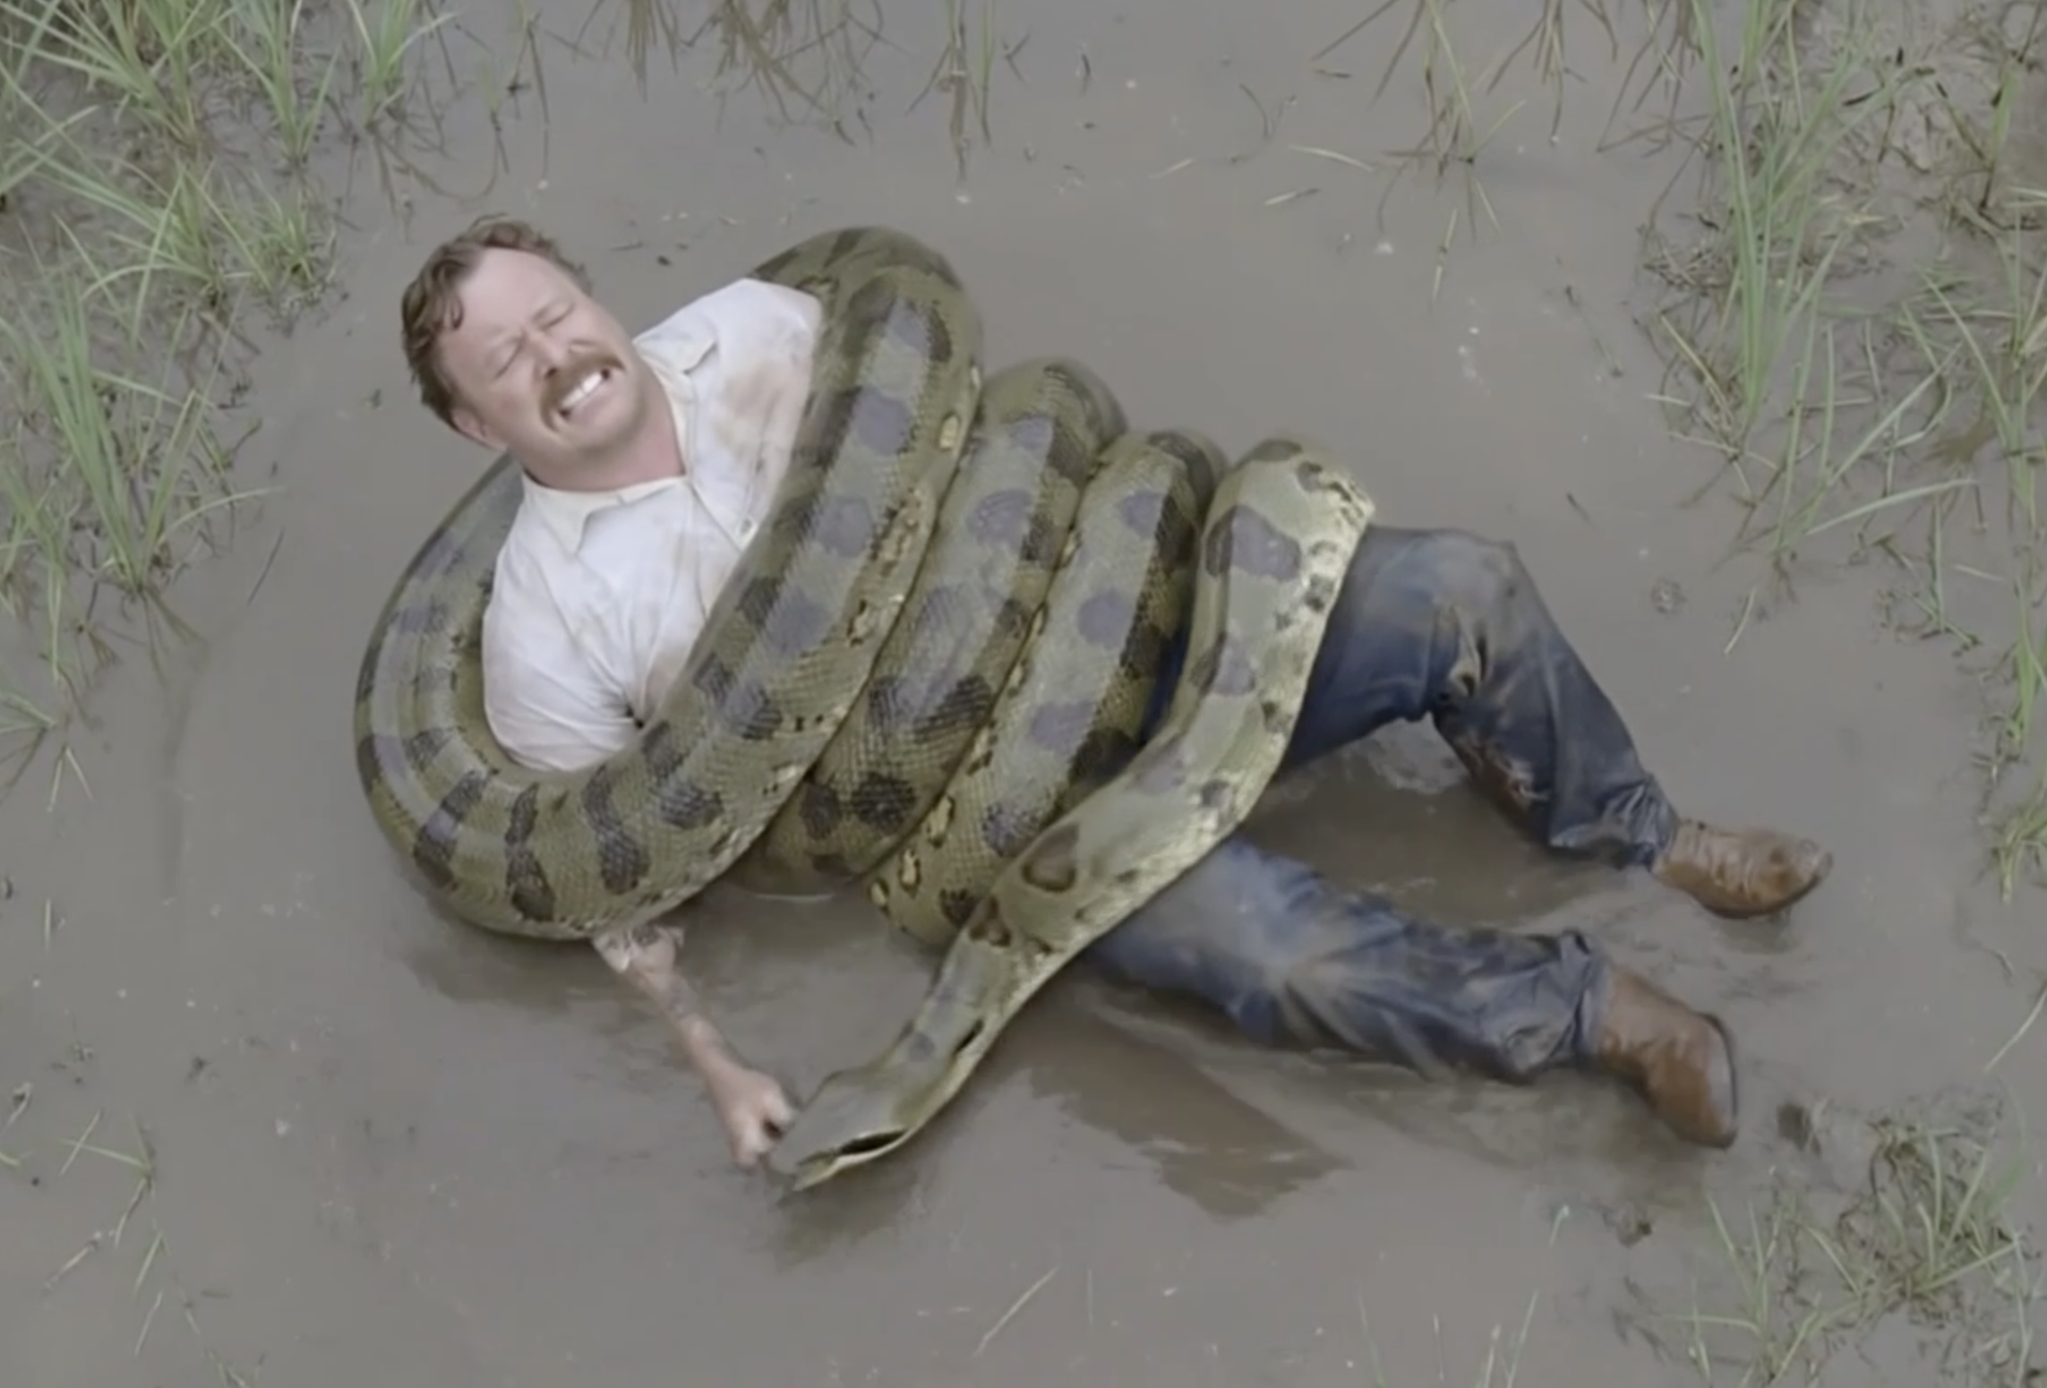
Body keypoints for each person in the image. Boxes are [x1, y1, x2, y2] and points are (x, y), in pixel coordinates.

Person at [394, 215, 1836, 1170]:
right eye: (506, 362)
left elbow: (1005, 421)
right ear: (471, 425)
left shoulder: (765, 327)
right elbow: (618, 894)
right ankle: (1595, 1016)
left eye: (555, 311)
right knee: (1277, 957)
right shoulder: (543, 632)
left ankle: (1641, 834)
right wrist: (709, 1060)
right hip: (1015, 817)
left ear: (593, 295)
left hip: (1143, 594)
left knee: (1463, 588)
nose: (556, 357)